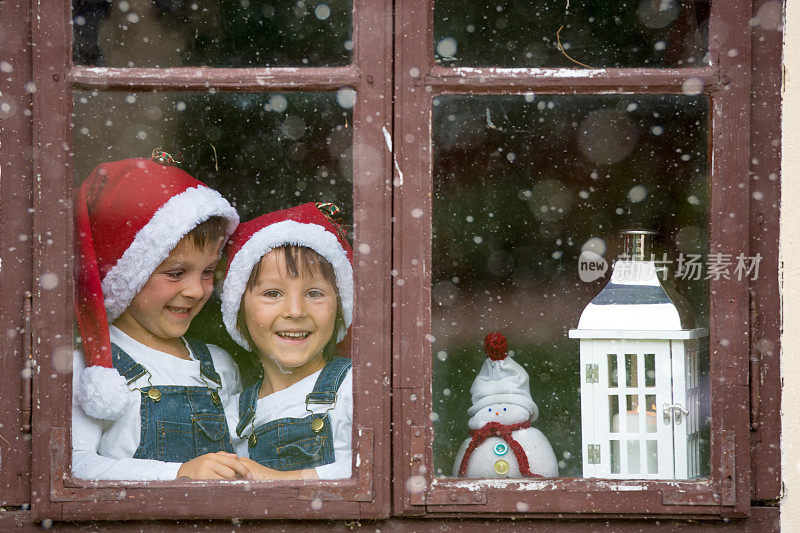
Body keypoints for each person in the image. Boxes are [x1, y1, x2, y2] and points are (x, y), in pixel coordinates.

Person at [72, 155, 252, 481]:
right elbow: (74, 468)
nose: (196, 290)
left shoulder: (219, 366)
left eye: (208, 272)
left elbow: (243, 460)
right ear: (127, 274)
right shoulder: (93, 370)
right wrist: (177, 475)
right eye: (177, 273)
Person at [220, 202, 354, 480]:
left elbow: (383, 472)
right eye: (272, 293)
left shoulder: (355, 389)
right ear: (238, 310)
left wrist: (283, 482)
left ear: (339, 307)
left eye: (314, 293)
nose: (295, 311)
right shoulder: (231, 414)